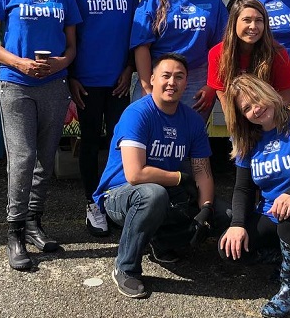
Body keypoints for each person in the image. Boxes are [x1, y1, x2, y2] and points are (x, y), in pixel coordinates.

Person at [0, 0, 81, 271]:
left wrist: (60, 63)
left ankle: (36, 223)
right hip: (16, 85)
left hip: (54, 86)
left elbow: (71, 47)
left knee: (45, 158)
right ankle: (15, 231)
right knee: (22, 158)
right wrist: (19, 62)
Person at [92, 53, 231, 299]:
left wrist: (205, 210)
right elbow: (135, 174)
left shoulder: (192, 121)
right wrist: (180, 178)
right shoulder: (138, 113)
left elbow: (202, 171)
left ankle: (162, 242)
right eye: (166, 76)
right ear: (152, 79)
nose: (172, 82)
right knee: (153, 195)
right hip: (120, 194)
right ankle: (125, 268)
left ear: (186, 83)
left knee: (225, 214)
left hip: (165, 191)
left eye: (179, 77)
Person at [219, 74, 290, 318]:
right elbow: (243, 189)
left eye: (257, 99)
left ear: (269, 92)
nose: (256, 108)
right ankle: (288, 258)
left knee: (289, 215)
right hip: (271, 214)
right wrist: (237, 224)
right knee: (229, 249)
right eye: (247, 108)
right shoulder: (247, 140)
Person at [60, 0, 139, 238]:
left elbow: (135, 31)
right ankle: (93, 203)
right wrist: (71, 78)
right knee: (91, 142)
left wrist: (130, 68)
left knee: (123, 144)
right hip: (87, 82)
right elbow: (68, 33)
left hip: (119, 80)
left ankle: (117, 200)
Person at [130, 0, 227, 121]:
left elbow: (222, 49)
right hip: (157, 75)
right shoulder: (152, 1)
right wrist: (146, 86)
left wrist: (211, 86)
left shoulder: (213, 2)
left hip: (197, 79)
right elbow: (141, 46)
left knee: (187, 137)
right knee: (148, 131)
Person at [207, 0, 290, 117]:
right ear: (234, 22)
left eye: (259, 20)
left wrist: (269, 126)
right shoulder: (217, 53)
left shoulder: (278, 53)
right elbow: (225, 101)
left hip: (274, 118)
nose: (253, 26)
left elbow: (287, 100)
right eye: (247, 20)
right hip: (240, 119)